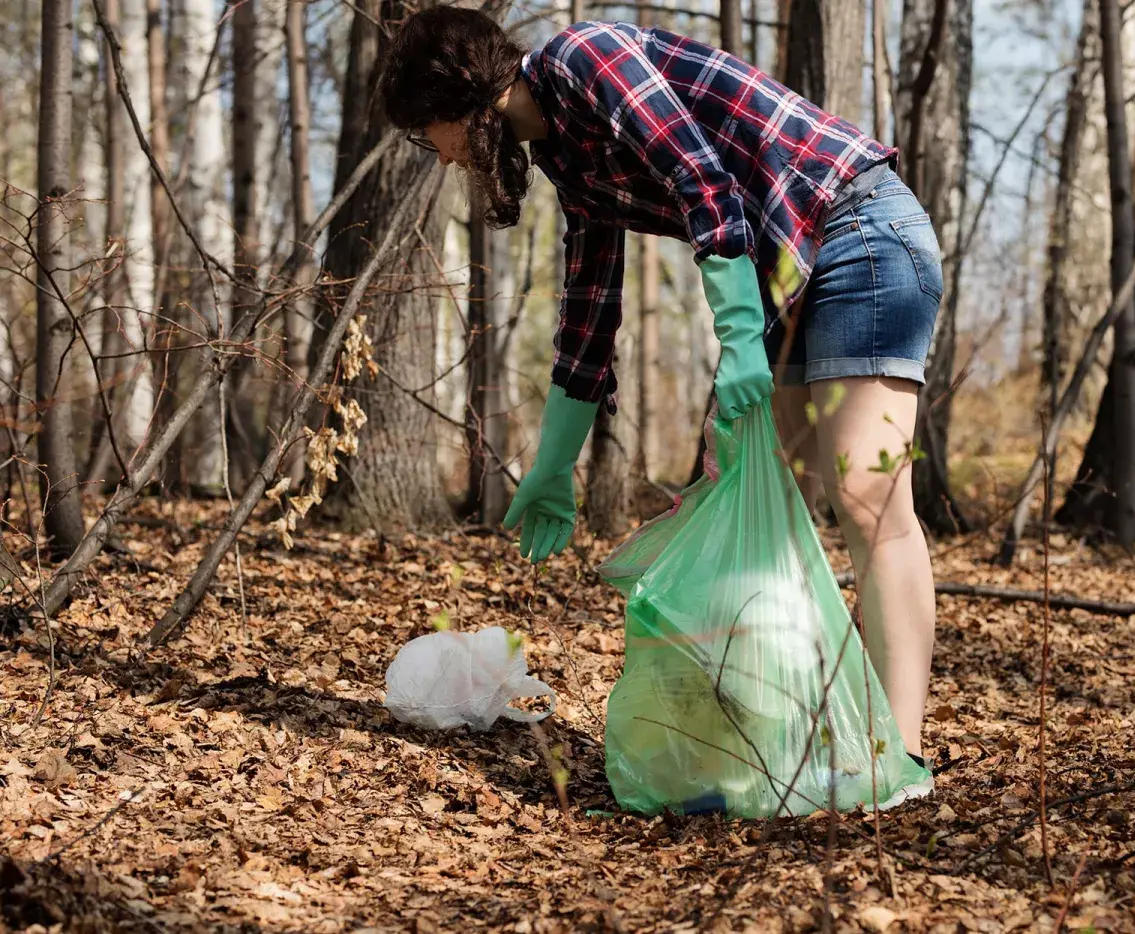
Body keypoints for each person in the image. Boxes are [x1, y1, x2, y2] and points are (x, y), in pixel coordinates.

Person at [380, 6, 940, 797]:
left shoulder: (588, 55)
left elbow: (701, 179)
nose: (438, 158)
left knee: (868, 496)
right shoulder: (565, 154)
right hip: (788, 266)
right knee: (750, 492)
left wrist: (742, 340)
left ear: (456, 98)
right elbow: (589, 306)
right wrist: (552, 465)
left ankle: (900, 758)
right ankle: (769, 747)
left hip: (857, 229)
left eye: (425, 133)